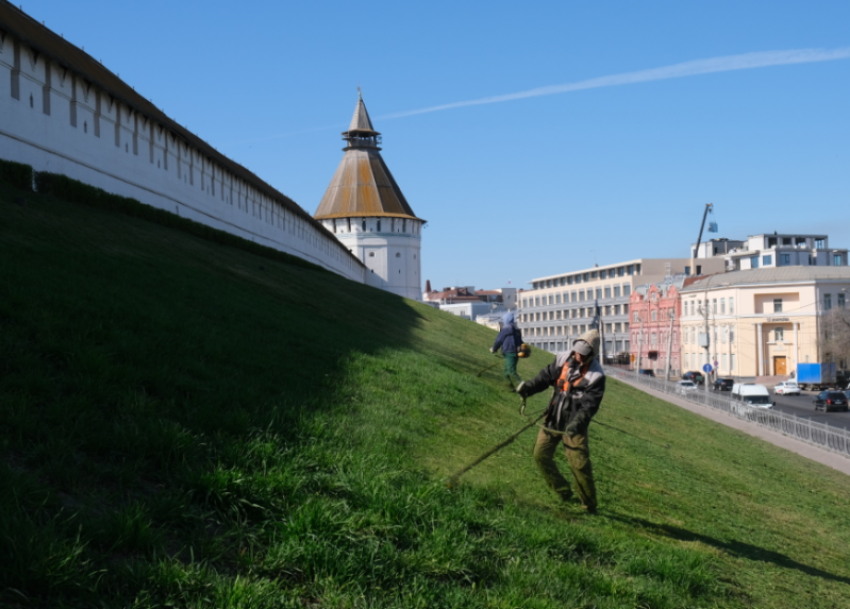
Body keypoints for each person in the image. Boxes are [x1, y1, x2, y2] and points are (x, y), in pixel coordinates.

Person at [516, 329, 605, 513]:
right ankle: (563, 491)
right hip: (552, 420)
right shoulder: (562, 359)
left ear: (593, 354)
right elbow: (545, 377)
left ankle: (589, 505)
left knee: (579, 465)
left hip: (574, 427)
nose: (579, 355)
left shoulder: (597, 376)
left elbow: (589, 407)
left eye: (583, 353)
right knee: (540, 455)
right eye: (577, 350)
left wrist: (576, 424)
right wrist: (528, 388)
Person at [490, 312, 524, 390]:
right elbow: (520, 342)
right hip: (516, 353)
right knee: (506, 372)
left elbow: (499, 340)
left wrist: (494, 349)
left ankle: (521, 384)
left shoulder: (505, 329)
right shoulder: (516, 330)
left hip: (510, 352)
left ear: (505, 320)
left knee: (511, 370)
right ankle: (510, 388)